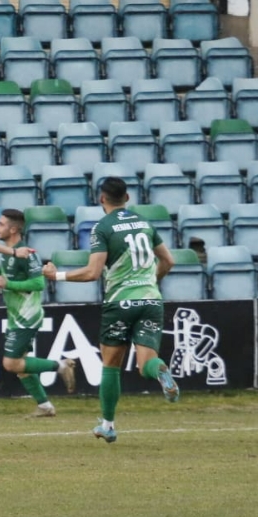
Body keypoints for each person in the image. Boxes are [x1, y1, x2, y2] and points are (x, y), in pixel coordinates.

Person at [42, 176, 180, 443]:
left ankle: (108, 425)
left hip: (120, 302)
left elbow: (93, 272)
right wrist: (150, 283)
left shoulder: (102, 227)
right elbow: (168, 260)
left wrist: (56, 276)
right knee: (146, 364)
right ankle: (160, 370)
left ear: (101, 199)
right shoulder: (144, 223)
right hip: (150, 300)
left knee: (111, 365)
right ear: (127, 198)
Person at [0, 208, 76, 415]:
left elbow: (38, 283)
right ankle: (44, 406)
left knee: (11, 363)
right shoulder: (8, 253)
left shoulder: (27, 253)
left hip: (27, 316)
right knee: (21, 366)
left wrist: (8, 284)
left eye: (1, 224)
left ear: (13, 229)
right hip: (16, 316)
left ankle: (61, 366)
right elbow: (1, 277)